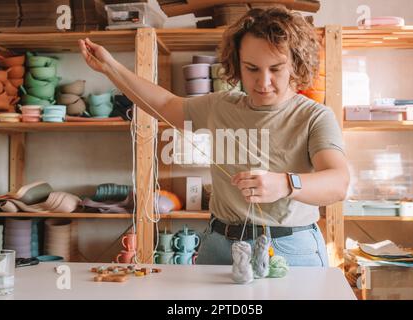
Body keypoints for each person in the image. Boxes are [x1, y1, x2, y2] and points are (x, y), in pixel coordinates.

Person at [79, 7, 350, 267]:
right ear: (237, 65)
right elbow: (163, 105)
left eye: (276, 68)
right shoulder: (221, 105)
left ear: (296, 64)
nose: (263, 82)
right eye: (252, 69)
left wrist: (287, 184)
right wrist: (110, 67)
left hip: (291, 249)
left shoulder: (315, 116)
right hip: (220, 245)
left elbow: (339, 182)